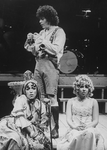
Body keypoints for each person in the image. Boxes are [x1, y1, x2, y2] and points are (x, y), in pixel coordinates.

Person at [24, 5, 66, 138]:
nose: (40, 21)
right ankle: (42, 126)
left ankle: (55, 128)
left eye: (42, 19)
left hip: (50, 66)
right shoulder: (41, 33)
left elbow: (55, 49)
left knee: (51, 98)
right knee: (40, 98)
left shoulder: (59, 32)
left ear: (49, 18)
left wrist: (42, 41)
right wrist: (30, 41)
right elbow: (33, 51)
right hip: (38, 65)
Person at [57, 74, 106, 150]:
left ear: (89, 89)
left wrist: (87, 127)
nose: (84, 89)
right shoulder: (71, 101)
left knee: (89, 134)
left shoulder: (93, 102)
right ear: (77, 88)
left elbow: (96, 120)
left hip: (89, 127)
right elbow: (68, 119)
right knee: (77, 136)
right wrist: (75, 127)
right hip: (75, 128)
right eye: (81, 86)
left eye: (86, 87)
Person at [0, 78, 51, 150]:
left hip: (32, 128)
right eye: (28, 89)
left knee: (44, 144)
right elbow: (21, 119)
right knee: (15, 139)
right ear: (24, 91)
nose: (31, 91)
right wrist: (32, 133)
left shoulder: (40, 104)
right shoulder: (21, 99)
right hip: (15, 125)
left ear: (37, 90)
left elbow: (43, 122)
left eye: (33, 89)